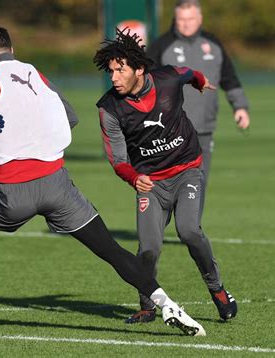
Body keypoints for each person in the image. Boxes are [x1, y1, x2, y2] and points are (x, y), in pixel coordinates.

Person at [0, 25, 206, 336]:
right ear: (12, 50)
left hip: (14, 192)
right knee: (110, 249)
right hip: (59, 186)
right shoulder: (34, 73)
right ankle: (166, 303)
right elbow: (70, 115)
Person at [93, 27, 237, 325]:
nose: (114, 78)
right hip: (150, 183)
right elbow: (118, 159)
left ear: (140, 69)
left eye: (120, 70)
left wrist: (200, 81)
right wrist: (134, 178)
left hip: (187, 170)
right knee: (149, 248)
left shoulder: (168, 78)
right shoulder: (109, 109)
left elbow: (189, 72)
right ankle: (147, 307)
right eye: (111, 72)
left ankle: (217, 289)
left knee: (189, 231)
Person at [147, 0, 250, 208]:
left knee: (198, 182)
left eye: (190, 19)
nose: (186, 24)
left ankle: (190, 229)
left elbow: (229, 77)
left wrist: (240, 107)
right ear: (175, 19)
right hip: (170, 130)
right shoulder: (161, 46)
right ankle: (158, 225)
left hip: (203, 128)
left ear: (200, 19)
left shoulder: (213, 44)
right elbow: (145, 84)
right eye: (181, 19)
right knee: (168, 183)